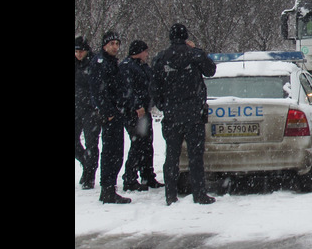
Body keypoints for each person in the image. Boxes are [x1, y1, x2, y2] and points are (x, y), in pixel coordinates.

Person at [150, 23, 217, 205]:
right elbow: (211, 70)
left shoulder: (160, 58)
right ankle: (199, 193)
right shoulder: (194, 54)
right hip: (193, 113)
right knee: (196, 156)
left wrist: (164, 105)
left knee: (171, 155)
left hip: (172, 114)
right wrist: (198, 50)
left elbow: (154, 87)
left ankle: (170, 195)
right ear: (186, 37)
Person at [90, 31, 131, 204]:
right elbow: (99, 91)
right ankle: (107, 188)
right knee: (111, 153)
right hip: (111, 115)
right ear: (104, 45)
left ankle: (109, 187)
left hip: (116, 112)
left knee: (116, 153)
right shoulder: (101, 63)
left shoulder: (111, 63)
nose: (115, 47)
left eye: (117, 43)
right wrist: (109, 113)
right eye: (111, 43)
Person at [120, 40, 163, 192]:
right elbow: (127, 88)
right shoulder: (127, 67)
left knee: (147, 144)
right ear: (138, 52)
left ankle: (147, 176)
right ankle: (130, 178)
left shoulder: (143, 67)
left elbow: (151, 84)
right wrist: (136, 105)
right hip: (134, 113)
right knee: (138, 144)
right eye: (145, 51)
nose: (147, 54)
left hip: (145, 112)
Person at [75, 35, 101, 189]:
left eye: (81, 51)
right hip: (76, 109)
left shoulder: (93, 64)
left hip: (91, 110)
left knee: (92, 143)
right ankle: (86, 163)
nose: (78, 54)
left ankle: (89, 175)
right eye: (76, 51)